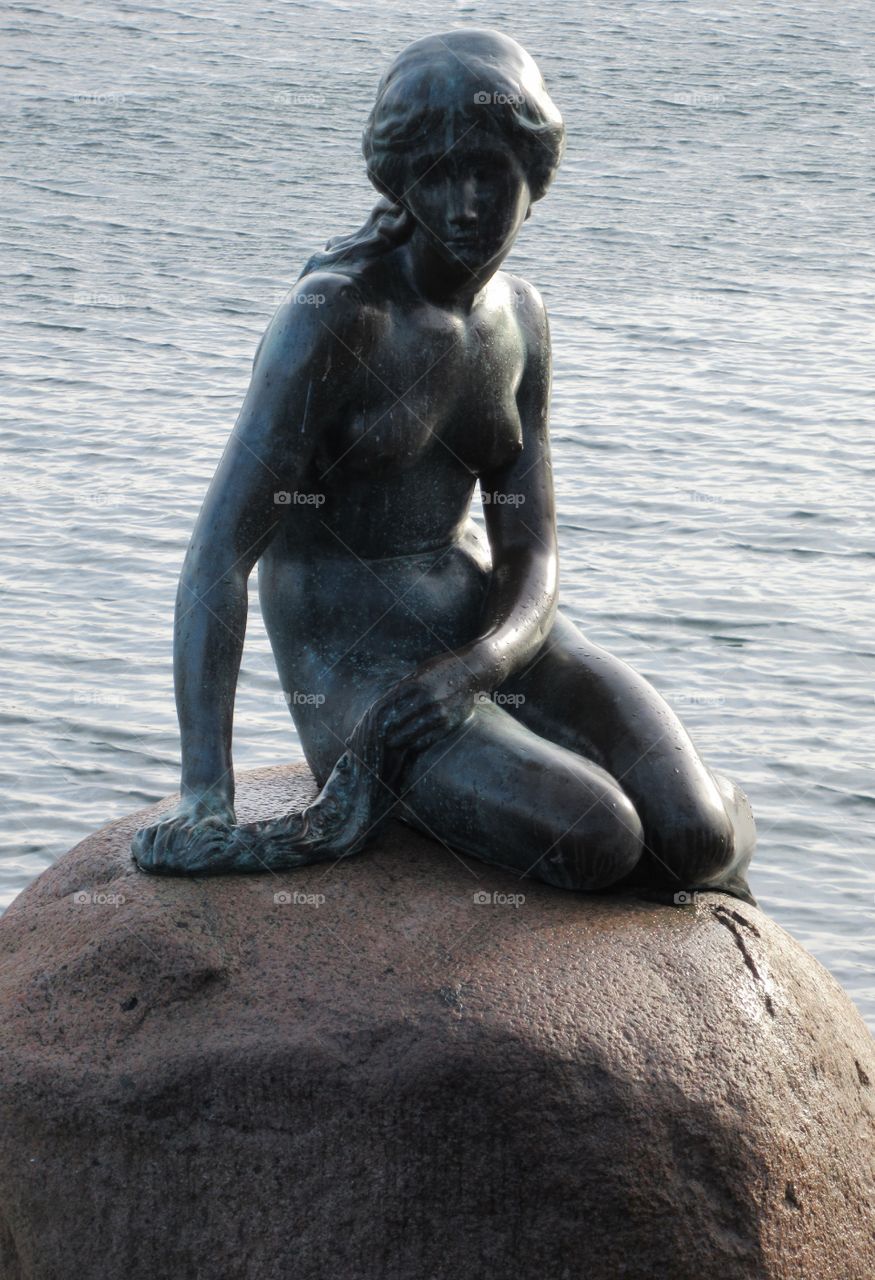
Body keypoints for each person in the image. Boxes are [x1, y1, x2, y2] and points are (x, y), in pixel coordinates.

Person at [132, 27, 756, 905]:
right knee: (598, 836)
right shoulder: (335, 318)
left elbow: (530, 553)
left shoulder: (521, 320)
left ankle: (703, 823)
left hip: (488, 638)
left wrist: (480, 665)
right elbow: (215, 562)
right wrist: (207, 791)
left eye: (488, 173)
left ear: (534, 174)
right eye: (435, 174)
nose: (463, 206)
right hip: (362, 677)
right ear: (399, 179)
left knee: (697, 836)